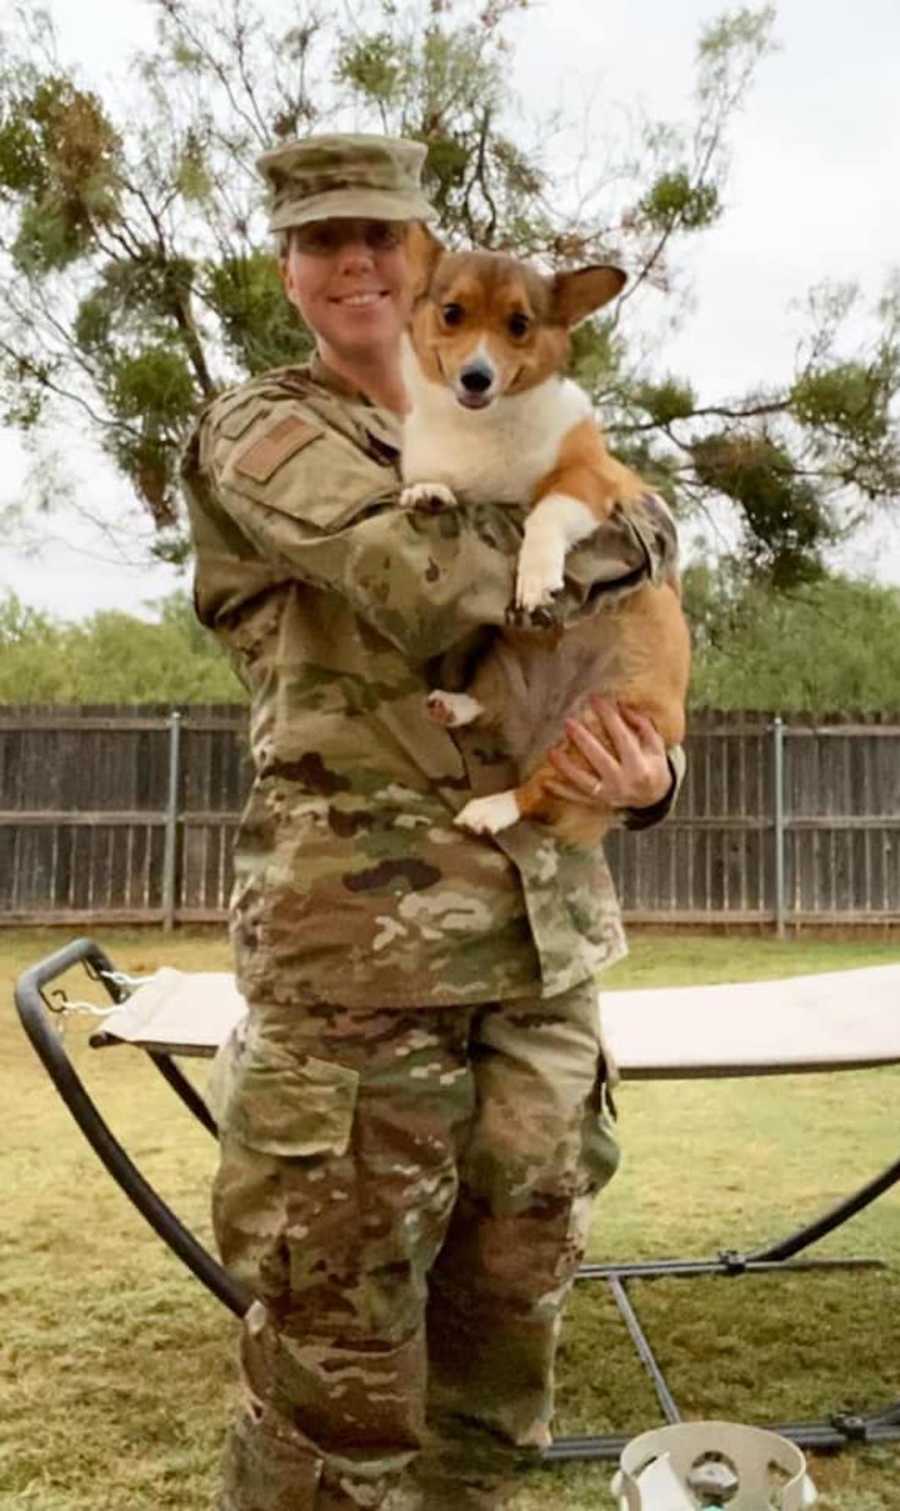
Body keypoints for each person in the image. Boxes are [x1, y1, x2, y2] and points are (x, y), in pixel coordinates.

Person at [181, 133, 684, 1511]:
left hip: (540, 956)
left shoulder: (506, 417)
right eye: (320, 239)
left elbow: (615, 639)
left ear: (428, 263)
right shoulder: (266, 431)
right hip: (360, 980)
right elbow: (425, 577)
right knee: (336, 1388)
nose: (354, 260)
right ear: (289, 272)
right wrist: (635, 532)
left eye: (380, 235)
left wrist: (651, 775)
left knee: (501, 1375)